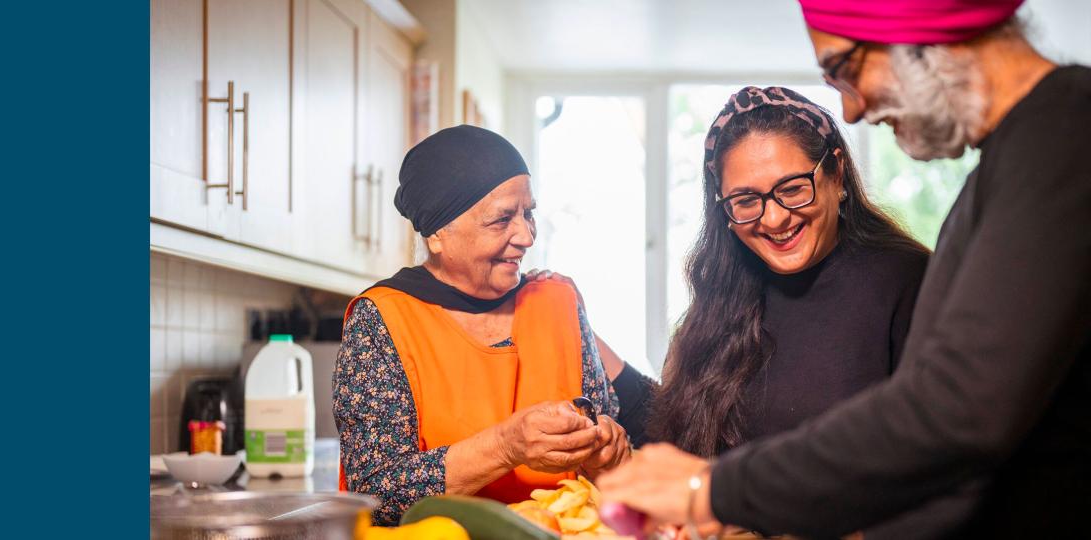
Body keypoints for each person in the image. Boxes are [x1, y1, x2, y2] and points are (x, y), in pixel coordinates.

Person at [597, 1, 1091, 538]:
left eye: (847, 71)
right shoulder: (1014, 155)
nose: (853, 111)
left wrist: (715, 492)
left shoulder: (1067, 126)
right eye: (746, 200)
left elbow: (959, 406)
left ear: (916, 24)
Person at [538, 86, 929, 462]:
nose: (774, 218)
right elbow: (672, 433)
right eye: (746, 200)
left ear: (837, 174)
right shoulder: (726, 294)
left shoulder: (909, 280)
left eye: (792, 189)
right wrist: (579, 327)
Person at [334, 125, 632, 525]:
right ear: (438, 234)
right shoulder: (382, 320)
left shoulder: (559, 301)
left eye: (529, 213)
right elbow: (374, 493)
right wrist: (506, 446)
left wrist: (609, 454)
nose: (526, 236)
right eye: (502, 219)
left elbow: (610, 461)